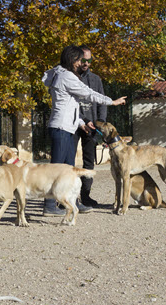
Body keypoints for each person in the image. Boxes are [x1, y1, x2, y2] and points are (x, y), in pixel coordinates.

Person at [41, 45, 126, 216]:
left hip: (67, 127)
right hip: (60, 129)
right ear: (71, 60)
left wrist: (81, 122)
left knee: (68, 169)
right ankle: (49, 205)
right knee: (57, 169)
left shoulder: (63, 75)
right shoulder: (66, 76)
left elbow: (68, 105)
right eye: (79, 60)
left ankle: (69, 203)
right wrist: (112, 102)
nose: (82, 63)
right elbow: (88, 93)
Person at [73, 45, 107, 208]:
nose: (86, 63)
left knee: (89, 163)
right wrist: (83, 121)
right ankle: (66, 198)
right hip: (73, 125)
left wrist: (100, 122)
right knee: (68, 163)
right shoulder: (71, 77)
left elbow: (102, 101)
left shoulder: (96, 80)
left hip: (92, 127)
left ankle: (85, 196)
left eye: (89, 60)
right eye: (83, 59)